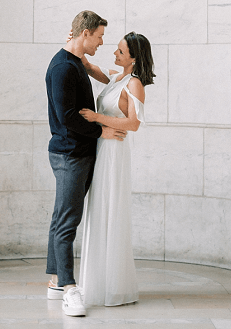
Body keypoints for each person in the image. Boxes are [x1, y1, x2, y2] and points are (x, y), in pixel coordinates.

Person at [45, 10, 127, 317]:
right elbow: (68, 118)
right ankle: (69, 288)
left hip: (76, 153)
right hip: (69, 154)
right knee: (68, 221)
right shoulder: (62, 69)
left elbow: (97, 72)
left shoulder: (74, 62)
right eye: (99, 36)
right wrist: (102, 130)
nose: (102, 42)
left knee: (62, 216)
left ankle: (55, 280)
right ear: (85, 34)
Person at [78, 31, 155, 306]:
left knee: (111, 207)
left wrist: (98, 118)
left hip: (114, 153)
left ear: (133, 58)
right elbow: (89, 67)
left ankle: (114, 284)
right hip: (102, 147)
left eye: (120, 52)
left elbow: (134, 124)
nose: (114, 54)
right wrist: (76, 40)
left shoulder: (134, 84)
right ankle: (97, 282)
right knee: (98, 208)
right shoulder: (115, 78)